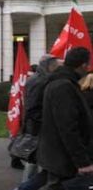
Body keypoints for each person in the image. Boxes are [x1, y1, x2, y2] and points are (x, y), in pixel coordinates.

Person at [38, 47, 93, 189]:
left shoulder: (63, 82)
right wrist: (82, 161)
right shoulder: (63, 86)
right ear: (83, 65)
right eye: (88, 64)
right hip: (62, 158)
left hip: (59, 156)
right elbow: (68, 127)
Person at [14, 55, 61, 190]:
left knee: (37, 162)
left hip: (36, 126)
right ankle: (24, 187)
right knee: (34, 161)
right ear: (49, 65)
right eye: (56, 66)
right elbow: (33, 107)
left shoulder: (40, 78)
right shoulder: (40, 80)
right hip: (37, 128)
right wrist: (46, 122)